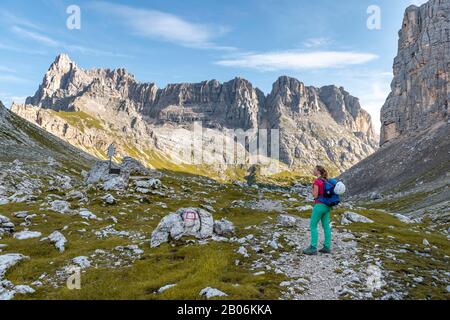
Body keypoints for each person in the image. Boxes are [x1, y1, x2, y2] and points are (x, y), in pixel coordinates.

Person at [303, 165, 332, 255]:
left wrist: (312, 190)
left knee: (313, 225)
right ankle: (327, 247)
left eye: (314, 169)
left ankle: (313, 247)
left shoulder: (317, 181)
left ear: (318, 171)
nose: (313, 170)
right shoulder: (326, 180)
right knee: (326, 226)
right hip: (327, 206)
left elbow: (315, 195)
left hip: (319, 205)